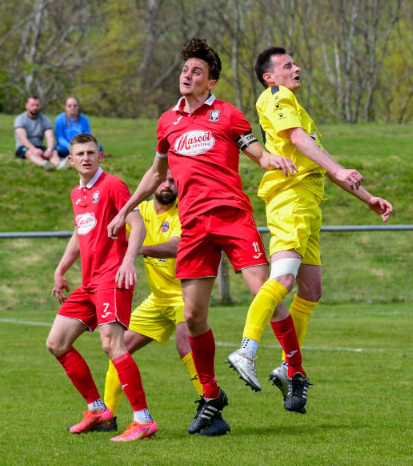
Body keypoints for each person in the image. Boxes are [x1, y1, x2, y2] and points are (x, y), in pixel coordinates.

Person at [106, 37, 297, 435]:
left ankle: (295, 371)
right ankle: (211, 396)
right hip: (193, 226)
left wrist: (272, 159)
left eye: (197, 72)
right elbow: (156, 173)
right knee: (193, 317)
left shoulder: (227, 114)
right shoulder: (167, 121)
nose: (187, 75)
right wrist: (125, 209)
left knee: (263, 289)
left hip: (232, 217)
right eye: (185, 70)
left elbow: (257, 152)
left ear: (211, 82)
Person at [227, 47, 393, 413]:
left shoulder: (297, 109)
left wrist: (367, 198)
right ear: (270, 77)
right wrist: (337, 169)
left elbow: (318, 157)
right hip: (290, 198)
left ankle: (288, 366)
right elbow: (299, 140)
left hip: (308, 201)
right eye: (288, 65)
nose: (297, 68)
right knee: (283, 279)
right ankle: (246, 350)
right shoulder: (277, 95)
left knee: (311, 290)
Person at [45, 133, 157, 442]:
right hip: (89, 283)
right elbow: (79, 232)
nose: (86, 158)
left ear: (100, 156)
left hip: (112, 278)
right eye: (80, 154)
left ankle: (143, 420)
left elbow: (138, 226)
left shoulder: (113, 185)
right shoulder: (76, 193)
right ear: (71, 160)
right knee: (56, 343)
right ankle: (97, 410)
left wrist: (128, 261)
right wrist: (60, 269)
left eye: (91, 152)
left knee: (112, 345)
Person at [101, 170, 229, 437]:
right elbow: (113, 231)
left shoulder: (185, 213)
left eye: (173, 181)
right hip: (157, 299)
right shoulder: (141, 211)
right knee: (118, 348)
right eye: (163, 180)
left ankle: (213, 413)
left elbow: (176, 246)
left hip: (184, 294)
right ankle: (107, 416)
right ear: (153, 183)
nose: (168, 185)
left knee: (186, 347)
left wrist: (137, 249)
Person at [14, 95, 63, 170]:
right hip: (24, 147)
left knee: (53, 152)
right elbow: (22, 138)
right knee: (29, 152)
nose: (35, 107)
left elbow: (50, 137)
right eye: (32, 105)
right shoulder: (20, 119)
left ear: (40, 106)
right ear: (27, 106)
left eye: (37, 105)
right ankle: (44, 164)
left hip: (39, 146)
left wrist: (49, 150)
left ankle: (59, 165)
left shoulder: (45, 120)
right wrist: (33, 149)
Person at [55, 96, 97, 165]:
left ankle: (76, 156)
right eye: (69, 106)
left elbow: (87, 136)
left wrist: (80, 146)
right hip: (66, 147)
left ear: (78, 107)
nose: (72, 107)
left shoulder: (84, 119)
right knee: (59, 149)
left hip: (81, 146)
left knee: (98, 147)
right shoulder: (59, 119)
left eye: (75, 105)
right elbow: (60, 138)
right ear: (65, 107)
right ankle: (75, 157)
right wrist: (70, 147)